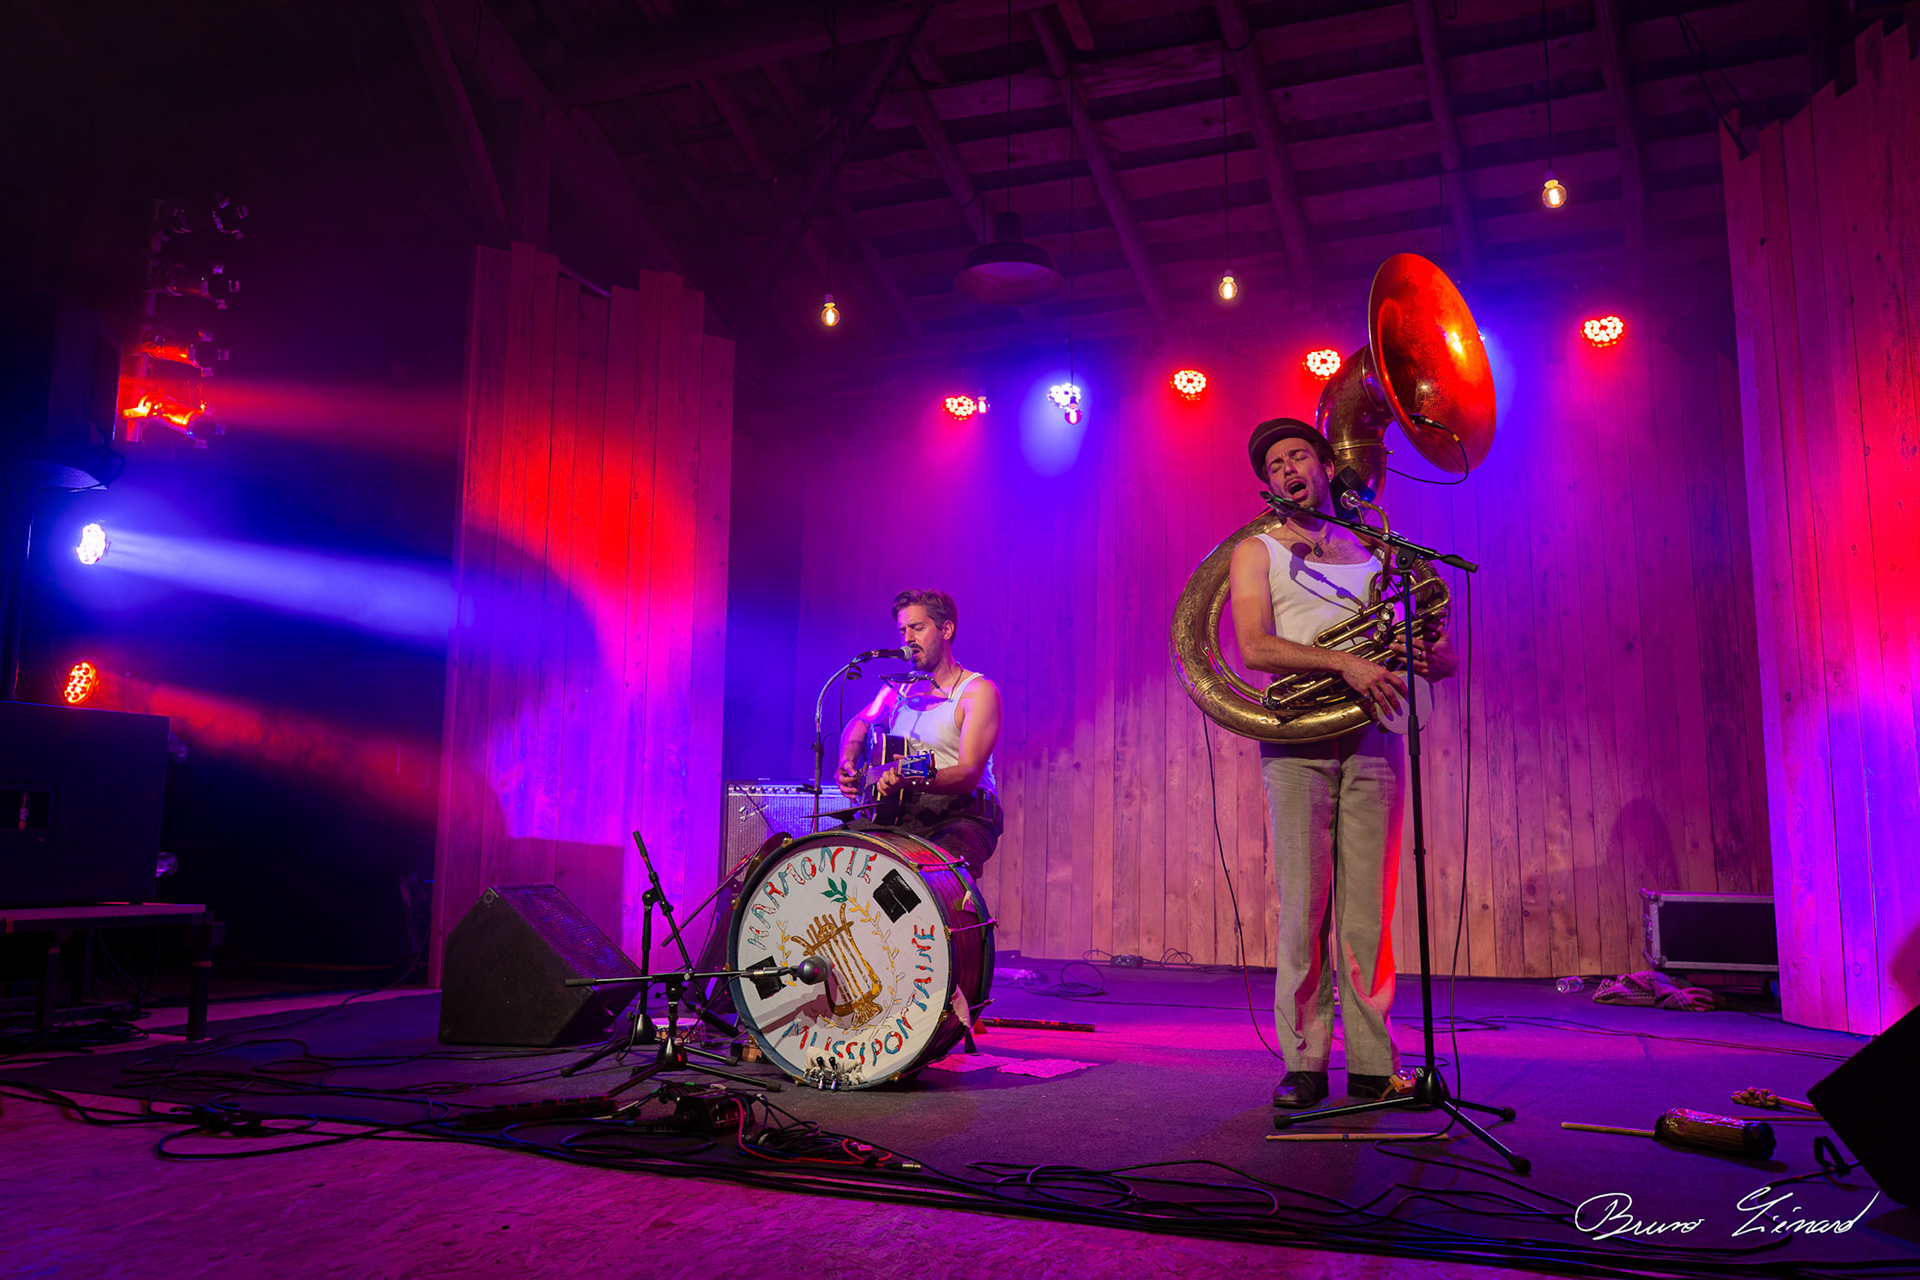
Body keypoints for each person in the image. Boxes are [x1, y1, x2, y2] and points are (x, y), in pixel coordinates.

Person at [1227, 418, 1458, 1109]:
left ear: (1328, 466)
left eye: (1299, 454)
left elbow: (1440, 651)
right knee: (1305, 906)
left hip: (1377, 731)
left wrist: (1434, 659)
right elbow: (1256, 649)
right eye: (1275, 464)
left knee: (1368, 912)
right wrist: (1343, 663)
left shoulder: (1379, 549)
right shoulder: (1256, 550)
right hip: (1298, 736)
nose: (1288, 468)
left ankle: (1369, 1062)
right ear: (1267, 485)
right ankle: (1303, 1061)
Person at [835, 589, 1004, 879]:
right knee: (832, 857)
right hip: (900, 813)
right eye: (902, 631)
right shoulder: (898, 690)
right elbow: (861, 722)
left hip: (962, 817)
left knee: (925, 882)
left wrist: (913, 779)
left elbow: (968, 773)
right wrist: (847, 761)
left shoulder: (977, 692)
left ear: (946, 629)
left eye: (917, 628)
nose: (908, 639)